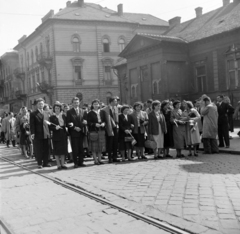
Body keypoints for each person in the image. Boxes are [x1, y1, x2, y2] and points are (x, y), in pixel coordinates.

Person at [66, 97, 88, 168]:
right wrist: (74, 127)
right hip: (74, 132)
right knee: (75, 148)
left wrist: (82, 125)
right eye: (74, 103)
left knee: (81, 148)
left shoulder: (83, 111)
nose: (76, 104)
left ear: (79, 103)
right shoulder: (69, 112)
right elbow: (68, 123)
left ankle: (81, 162)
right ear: (72, 103)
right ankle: (75, 162)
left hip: (81, 132)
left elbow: (85, 120)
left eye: (77, 102)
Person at [30, 98, 51, 168]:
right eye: (39, 104)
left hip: (46, 133)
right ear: (36, 105)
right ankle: (39, 163)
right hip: (38, 134)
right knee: (39, 149)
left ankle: (46, 162)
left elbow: (49, 123)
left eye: (42, 104)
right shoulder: (33, 113)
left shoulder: (46, 113)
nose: (41, 105)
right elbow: (32, 124)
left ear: (44, 104)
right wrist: (32, 133)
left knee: (46, 148)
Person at [87, 99, 106, 165]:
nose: (96, 105)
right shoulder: (90, 113)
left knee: (100, 146)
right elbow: (88, 123)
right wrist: (95, 124)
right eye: (94, 104)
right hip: (93, 131)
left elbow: (104, 120)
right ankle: (95, 160)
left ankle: (100, 160)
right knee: (94, 147)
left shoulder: (102, 112)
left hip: (101, 130)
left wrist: (103, 123)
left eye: (97, 104)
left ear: (99, 105)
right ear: (92, 105)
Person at [101, 97, 120, 163]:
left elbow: (117, 118)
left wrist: (117, 124)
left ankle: (115, 157)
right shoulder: (104, 109)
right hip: (108, 128)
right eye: (115, 101)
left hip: (115, 128)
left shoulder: (116, 108)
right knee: (109, 143)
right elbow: (103, 119)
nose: (116, 102)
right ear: (111, 102)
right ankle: (109, 158)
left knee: (115, 143)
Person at [49, 103, 68, 170]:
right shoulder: (52, 117)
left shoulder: (63, 116)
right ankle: (58, 165)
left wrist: (66, 127)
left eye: (58, 108)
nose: (57, 110)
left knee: (63, 150)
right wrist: (55, 128)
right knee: (57, 150)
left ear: (60, 109)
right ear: (54, 109)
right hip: (56, 134)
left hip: (63, 133)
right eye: (56, 108)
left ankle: (62, 164)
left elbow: (66, 124)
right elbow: (50, 127)